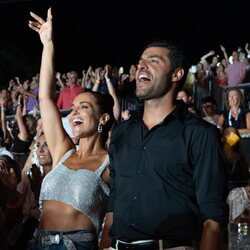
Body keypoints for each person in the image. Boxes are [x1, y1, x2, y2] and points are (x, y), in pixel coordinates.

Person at [108, 41, 228, 250]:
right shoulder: (121, 133)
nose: (141, 66)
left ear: (176, 74)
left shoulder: (200, 134)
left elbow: (213, 220)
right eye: (140, 62)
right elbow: (113, 207)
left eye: (153, 61)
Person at [27, 8, 114, 249]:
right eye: (73, 107)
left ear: (103, 118)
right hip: (38, 243)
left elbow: (115, 218)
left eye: (83, 107)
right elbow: (44, 97)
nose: (74, 112)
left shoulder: (111, 163)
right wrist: (47, 44)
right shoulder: (63, 150)